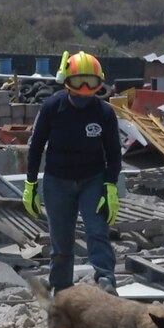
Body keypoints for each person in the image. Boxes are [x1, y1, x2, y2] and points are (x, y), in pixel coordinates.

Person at [23, 51, 122, 295]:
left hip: (93, 180)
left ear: (100, 83)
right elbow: (36, 146)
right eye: (79, 81)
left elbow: (114, 153)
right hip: (57, 182)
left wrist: (110, 186)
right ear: (67, 80)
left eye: (91, 82)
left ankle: (106, 280)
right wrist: (31, 184)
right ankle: (62, 287)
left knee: (97, 231)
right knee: (61, 239)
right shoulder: (51, 107)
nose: (85, 88)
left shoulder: (105, 114)